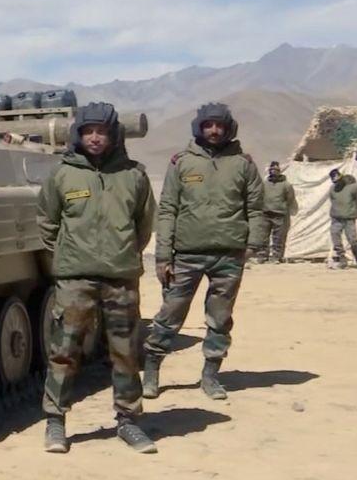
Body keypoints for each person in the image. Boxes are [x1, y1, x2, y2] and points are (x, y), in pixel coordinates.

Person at [37, 102, 158, 454]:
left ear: (113, 135)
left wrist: (122, 253)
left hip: (120, 276)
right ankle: (55, 422)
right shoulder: (62, 175)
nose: (94, 138)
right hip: (75, 278)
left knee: (125, 352)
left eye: (101, 132)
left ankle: (129, 421)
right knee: (64, 350)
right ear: (78, 134)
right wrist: (69, 255)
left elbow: (143, 224)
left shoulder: (133, 175)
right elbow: (47, 221)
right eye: (88, 131)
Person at [145, 102, 265, 401]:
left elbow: (257, 209)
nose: (214, 130)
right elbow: (168, 210)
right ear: (199, 128)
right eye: (209, 125)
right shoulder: (182, 163)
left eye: (220, 125)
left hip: (229, 255)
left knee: (220, 318)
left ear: (229, 128)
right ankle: (151, 371)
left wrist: (252, 245)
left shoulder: (243, 164)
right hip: (186, 255)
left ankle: (211, 376)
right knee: (170, 315)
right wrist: (163, 255)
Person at [259, 161, 298, 263]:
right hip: (265, 213)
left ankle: (276, 257)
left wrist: (282, 206)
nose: (273, 172)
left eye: (276, 170)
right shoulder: (264, 183)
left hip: (279, 214)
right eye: (272, 170)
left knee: (278, 238)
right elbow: (260, 196)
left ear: (279, 171)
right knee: (263, 236)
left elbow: (290, 199)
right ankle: (263, 256)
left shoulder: (286, 185)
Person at [327, 168, 357, 269]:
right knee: (336, 239)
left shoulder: (354, 187)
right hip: (336, 218)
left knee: (353, 240)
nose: (337, 182)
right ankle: (342, 260)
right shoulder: (332, 188)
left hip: (349, 218)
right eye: (335, 181)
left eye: (339, 180)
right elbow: (333, 200)